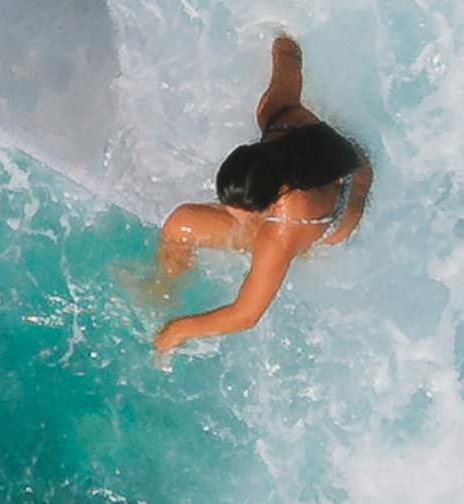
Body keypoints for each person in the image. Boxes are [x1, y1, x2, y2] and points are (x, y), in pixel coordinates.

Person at [141, 30, 369, 354]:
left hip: (334, 224)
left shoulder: (284, 232)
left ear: (274, 200)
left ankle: (163, 287)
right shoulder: (277, 113)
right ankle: (165, 283)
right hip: (350, 166)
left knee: (180, 227)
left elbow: (247, 315)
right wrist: (277, 28)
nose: (237, 218)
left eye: (248, 214)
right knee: (180, 222)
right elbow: (289, 53)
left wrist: (178, 330)